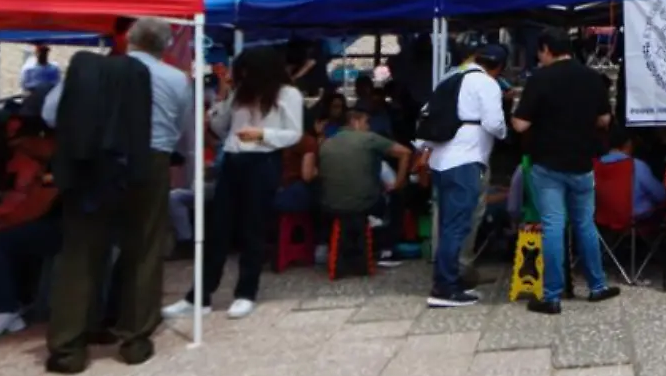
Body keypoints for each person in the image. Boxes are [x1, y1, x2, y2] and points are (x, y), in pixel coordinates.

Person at [48, 29, 159, 373]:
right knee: (141, 251)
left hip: (84, 167)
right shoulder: (168, 78)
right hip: (142, 163)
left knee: (78, 257)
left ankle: (69, 344)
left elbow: (51, 114)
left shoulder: (78, 73)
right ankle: (135, 338)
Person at [167, 43, 301, 323]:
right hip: (232, 160)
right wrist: (223, 98)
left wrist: (262, 134)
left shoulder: (288, 94)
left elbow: (293, 133)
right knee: (218, 229)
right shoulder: (240, 93)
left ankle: (246, 293)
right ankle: (199, 297)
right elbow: (220, 127)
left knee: (253, 228)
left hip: (263, 162)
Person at [511, 29, 616, 315]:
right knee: (585, 223)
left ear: (546, 49)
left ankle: (552, 296)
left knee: (554, 226)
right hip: (582, 164)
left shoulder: (539, 79)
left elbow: (520, 125)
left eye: (539, 52)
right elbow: (604, 119)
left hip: (547, 164)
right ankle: (597, 287)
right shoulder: (592, 78)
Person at [422, 43, 509, 308]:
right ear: (498, 68)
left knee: (447, 224)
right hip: (466, 161)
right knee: (457, 226)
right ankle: (445, 288)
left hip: (441, 161)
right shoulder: (487, 84)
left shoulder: (450, 79)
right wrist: (505, 132)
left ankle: (447, 280)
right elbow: (494, 123)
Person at [0, 118, 59, 338]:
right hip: (40, 221)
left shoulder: (58, 161)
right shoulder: (3, 163)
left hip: (66, 226)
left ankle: (5, 308)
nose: (20, 147)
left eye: (23, 142)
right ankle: (3, 309)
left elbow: (37, 206)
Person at [317, 106, 411, 263]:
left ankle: (325, 244)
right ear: (355, 122)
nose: (369, 127)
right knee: (397, 198)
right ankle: (386, 249)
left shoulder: (326, 143)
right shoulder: (369, 139)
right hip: (365, 204)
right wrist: (398, 183)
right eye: (366, 122)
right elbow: (405, 152)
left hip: (329, 205)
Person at [600, 133, 666, 223]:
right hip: (636, 216)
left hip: (603, 215)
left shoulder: (597, 165)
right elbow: (660, 195)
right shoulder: (637, 165)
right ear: (628, 144)